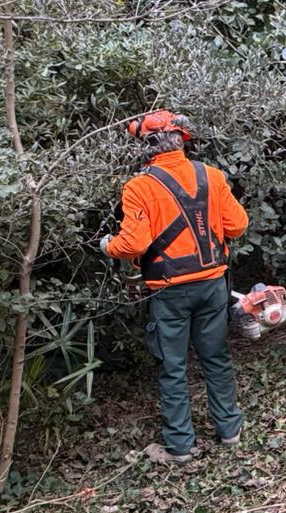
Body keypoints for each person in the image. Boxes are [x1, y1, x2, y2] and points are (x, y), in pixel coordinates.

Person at [102, 110, 248, 463]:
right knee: (215, 357)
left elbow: (133, 245)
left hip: (169, 292)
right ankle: (229, 431)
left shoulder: (139, 187)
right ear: (182, 139)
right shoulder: (211, 176)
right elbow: (238, 225)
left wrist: (108, 246)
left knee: (172, 366)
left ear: (146, 147)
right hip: (213, 283)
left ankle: (180, 446)